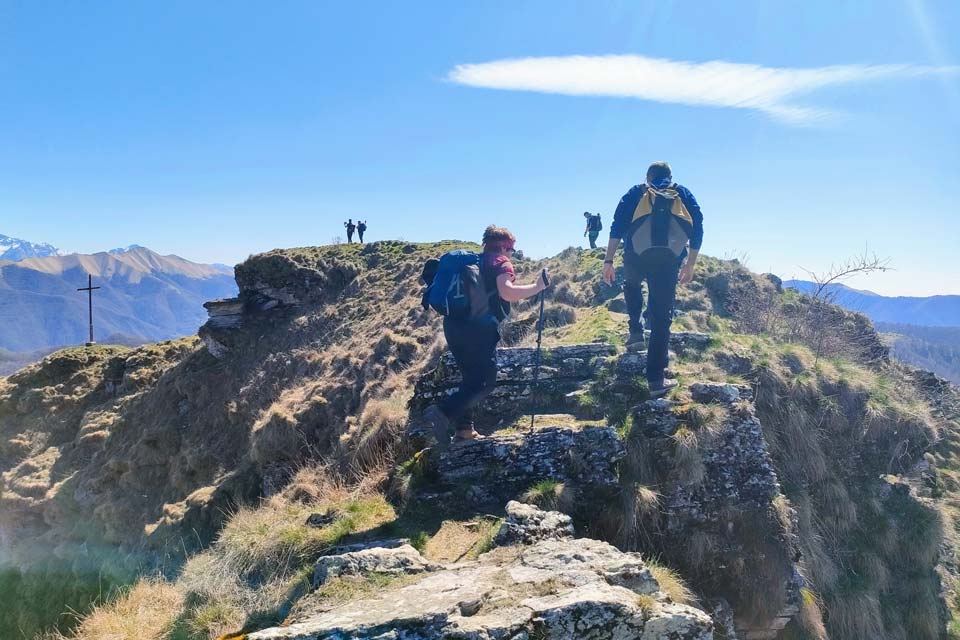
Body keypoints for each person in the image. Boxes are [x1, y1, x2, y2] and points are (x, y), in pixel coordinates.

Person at [420, 225, 548, 449]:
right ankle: (441, 413)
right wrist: (538, 286)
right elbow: (507, 292)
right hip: (478, 330)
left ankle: (464, 430)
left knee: (469, 378)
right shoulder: (499, 262)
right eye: (512, 249)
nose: (512, 253)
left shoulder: (475, 261)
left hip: (453, 326)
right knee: (484, 382)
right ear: (503, 246)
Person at [603, 161, 703, 397]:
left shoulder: (635, 193)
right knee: (661, 316)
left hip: (635, 256)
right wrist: (690, 264)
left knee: (631, 286)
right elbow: (697, 228)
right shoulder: (683, 194)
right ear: (670, 176)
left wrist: (608, 261)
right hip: (668, 261)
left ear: (647, 177)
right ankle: (656, 379)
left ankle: (636, 332)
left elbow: (617, 227)